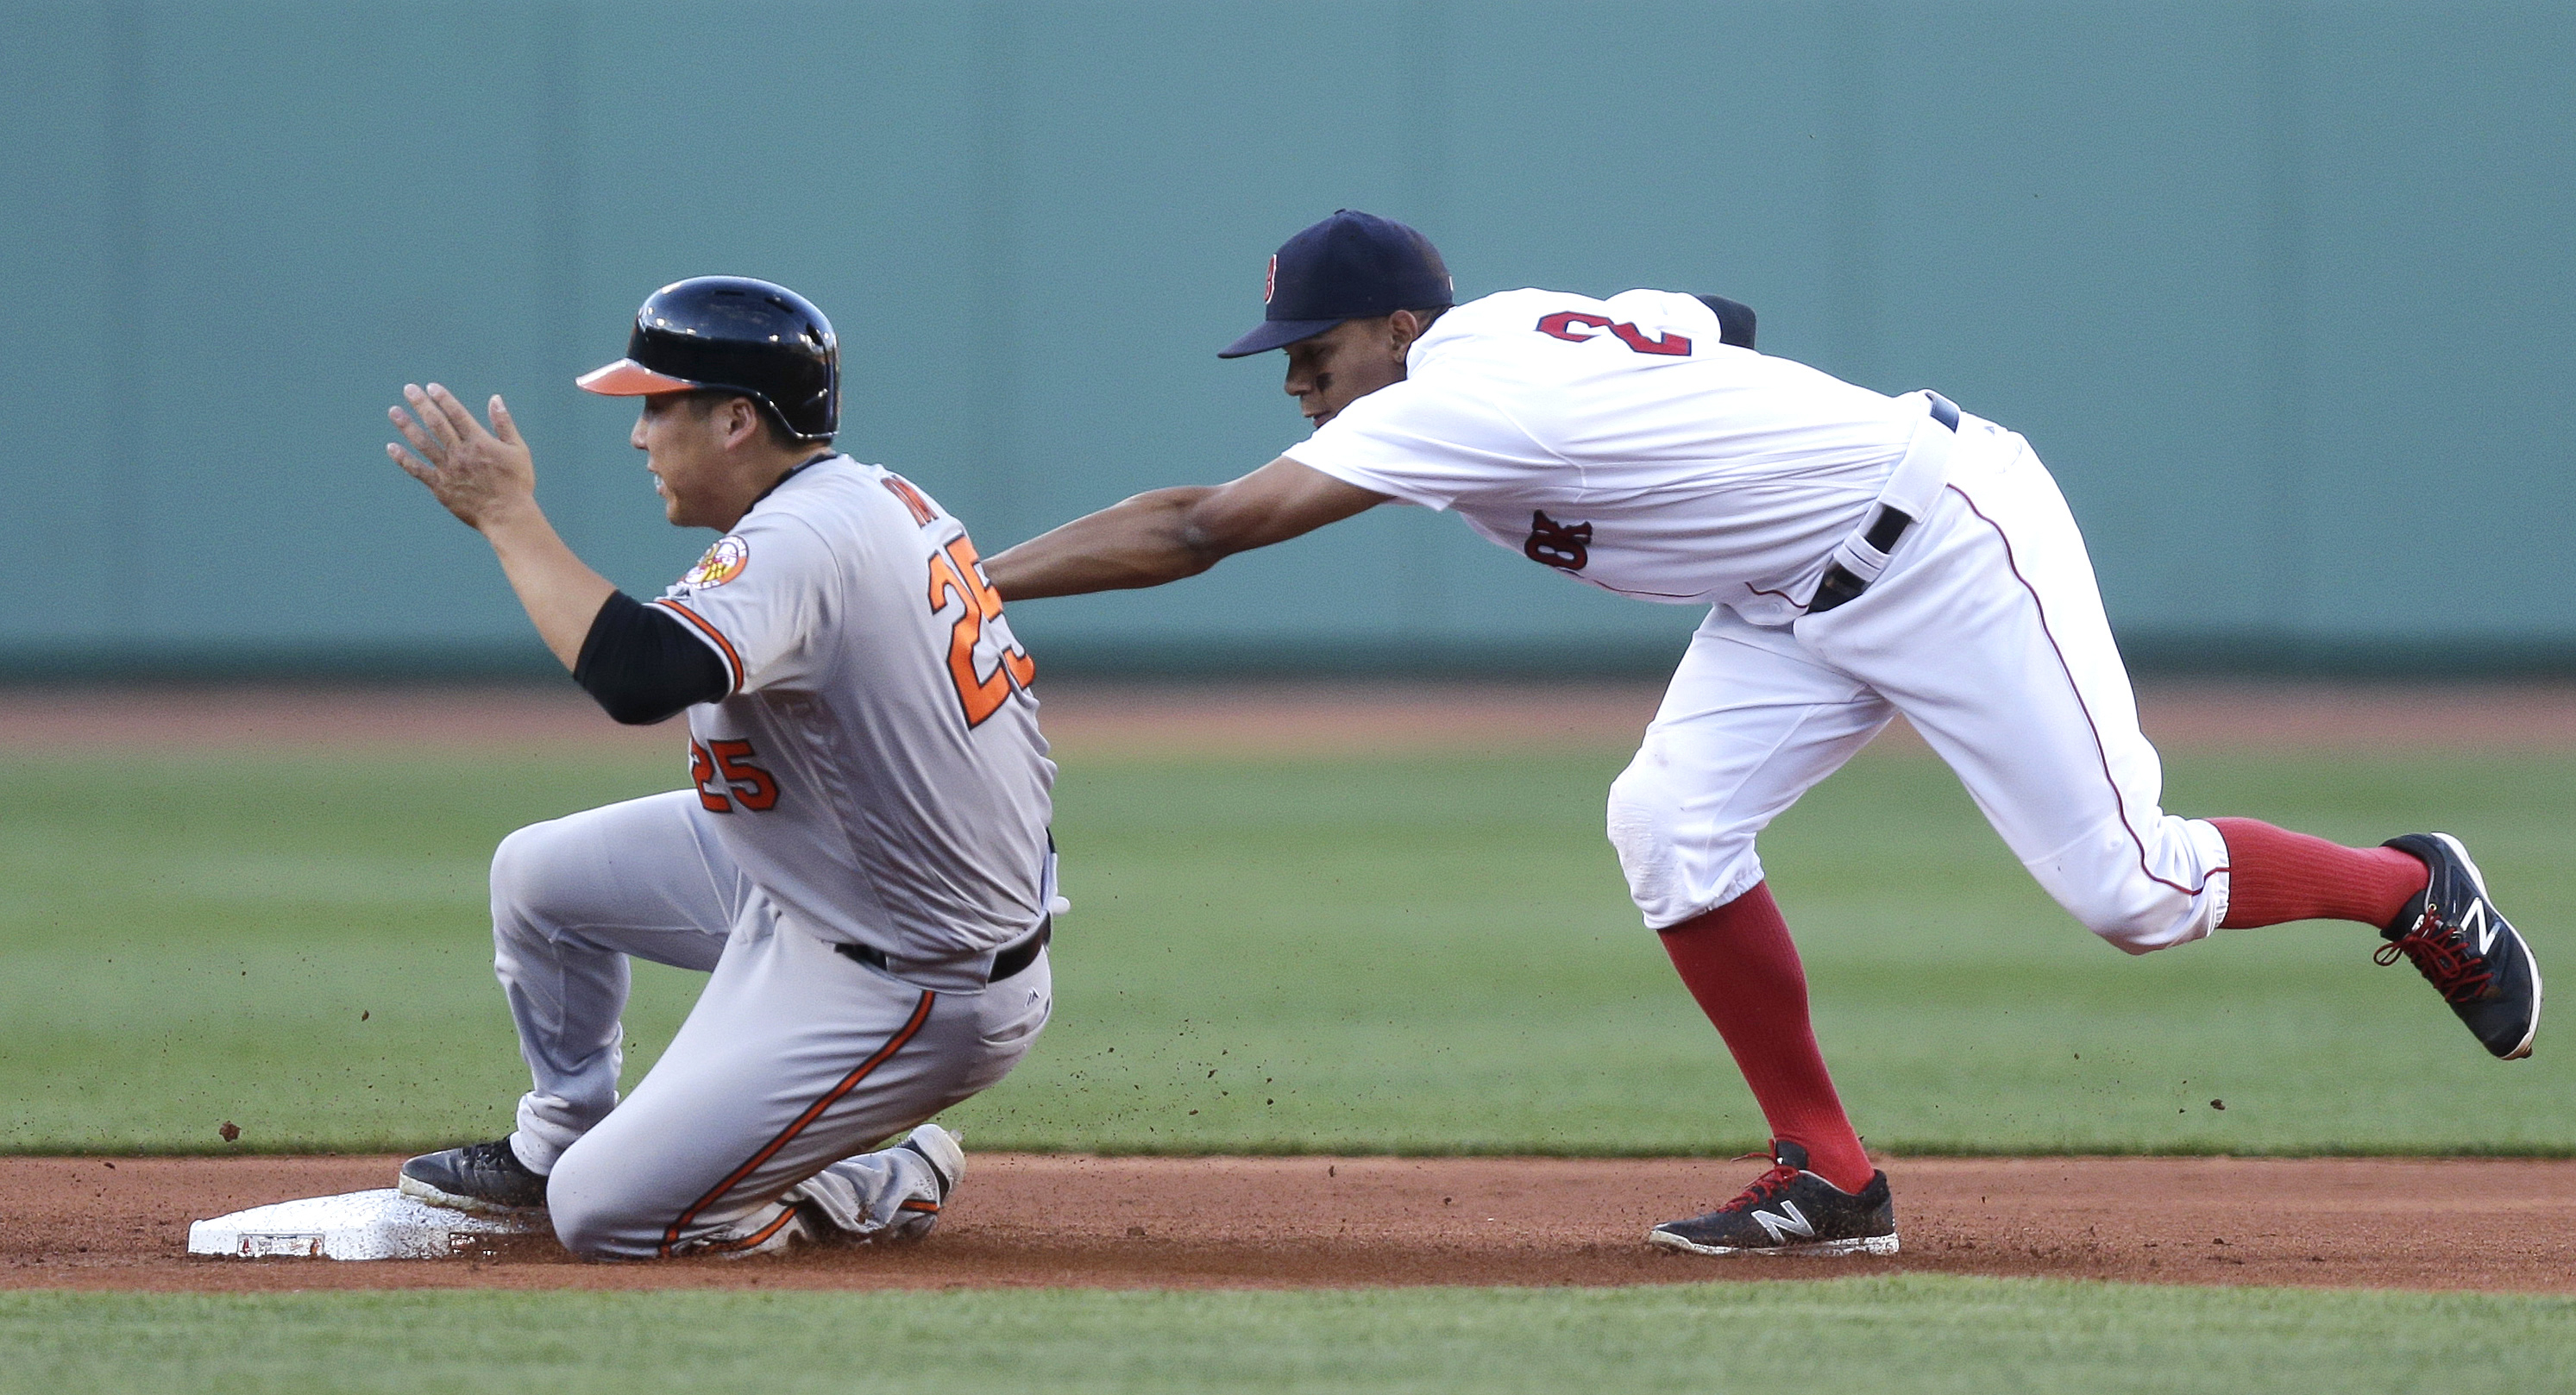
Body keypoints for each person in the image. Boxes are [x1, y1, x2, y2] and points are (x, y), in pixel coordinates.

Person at [982, 211, 2541, 1258]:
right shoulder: (1514, 334)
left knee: (2132, 891)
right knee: (1664, 824)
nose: (1304, 387)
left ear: (1400, 326)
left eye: (1316, 356)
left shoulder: (1449, 398)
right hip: (1791, 592)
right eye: (1289, 362)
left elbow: (1197, 527)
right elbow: (1710, 315)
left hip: (1944, 535)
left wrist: (968, 581)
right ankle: (1830, 1175)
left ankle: (2413, 889)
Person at [382, 275, 1057, 1259]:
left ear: (738, 419)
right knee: (537, 876)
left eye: (659, 404)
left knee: (607, 1215)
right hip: (830, 876)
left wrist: (509, 518)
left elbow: (640, 676)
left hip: (912, 976)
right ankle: (559, 1135)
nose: (639, 433)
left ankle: (877, 1178)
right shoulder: (859, 498)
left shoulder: (803, 536)